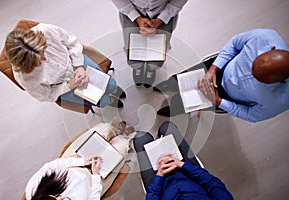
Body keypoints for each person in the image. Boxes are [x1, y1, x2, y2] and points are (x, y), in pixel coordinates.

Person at [155, 28, 289, 122]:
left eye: (259, 80)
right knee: (182, 78)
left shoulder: (280, 101)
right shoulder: (265, 37)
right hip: (220, 66)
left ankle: (174, 109)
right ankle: (168, 85)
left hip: (226, 98)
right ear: (270, 49)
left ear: (282, 81)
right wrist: (213, 69)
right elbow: (235, 43)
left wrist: (217, 100)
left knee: (188, 103)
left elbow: (250, 115)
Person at [5, 23, 126, 108]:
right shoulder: (25, 78)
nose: (45, 58)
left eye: (44, 51)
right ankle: (109, 100)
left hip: (74, 62)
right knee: (103, 101)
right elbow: (46, 95)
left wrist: (79, 66)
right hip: (61, 86)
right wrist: (70, 85)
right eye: (38, 62)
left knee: (111, 85)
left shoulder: (46, 30)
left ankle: (112, 90)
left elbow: (72, 43)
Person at [133, 121, 234, 199]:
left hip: (159, 183)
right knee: (167, 127)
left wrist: (159, 175)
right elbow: (212, 183)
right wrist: (181, 164)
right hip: (188, 172)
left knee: (140, 138)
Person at [111, 0, 188, 88]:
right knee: (134, 57)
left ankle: (151, 69)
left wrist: (162, 19)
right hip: (132, 8)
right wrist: (137, 18)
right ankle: (137, 67)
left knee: (156, 61)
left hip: (164, 9)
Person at [25, 156, 102, 200]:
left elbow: (52, 165)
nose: (60, 198)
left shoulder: (32, 187)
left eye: (55, 197)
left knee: (105, 129)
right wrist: (96, 176)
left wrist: (81, 162)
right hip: (94, 182)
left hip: (73, 165)